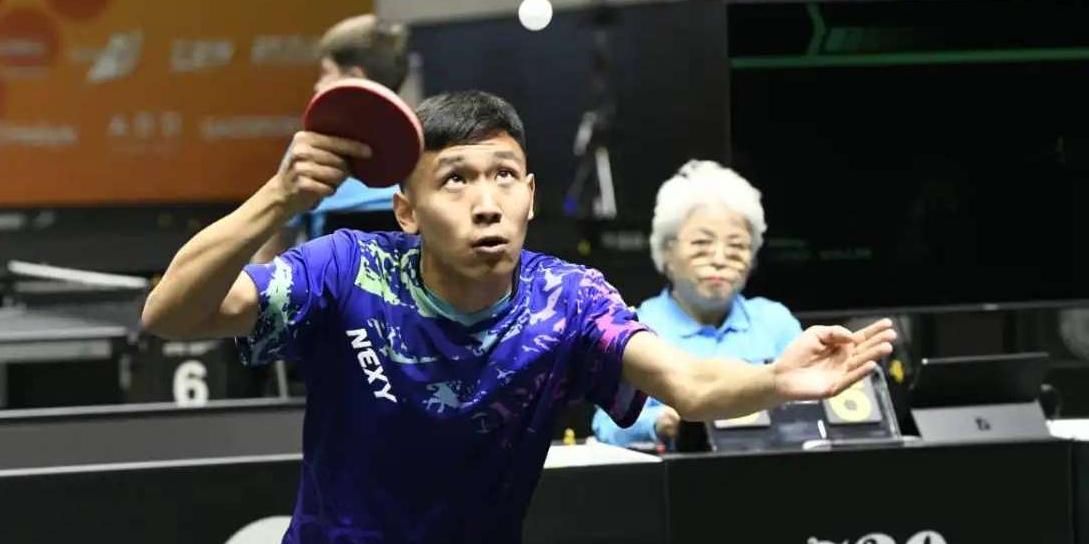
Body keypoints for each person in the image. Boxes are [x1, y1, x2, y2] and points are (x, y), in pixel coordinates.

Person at [142, 90, 896, 543]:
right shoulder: (347, 269)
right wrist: (279, 199)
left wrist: (776, 378)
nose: (486, 199)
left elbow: (688, 384)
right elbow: (171, 314)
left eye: (503, 175)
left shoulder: (567, 300)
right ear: (406, 209)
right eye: (456, 179)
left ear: (532, 195)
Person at [593, 160, 802, 447]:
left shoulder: (776, 323)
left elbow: (809, 412)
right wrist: (659, 423)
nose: (719, 257)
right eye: (702, 243)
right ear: (667, 252)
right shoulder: (636, 328)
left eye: (737, 245)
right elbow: (606, 424)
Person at [251, 13, 411, 264]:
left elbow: (269, 255)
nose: (318, 85)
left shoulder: (309, 149)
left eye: (325, 72)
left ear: (353, 78)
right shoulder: (423, 145)